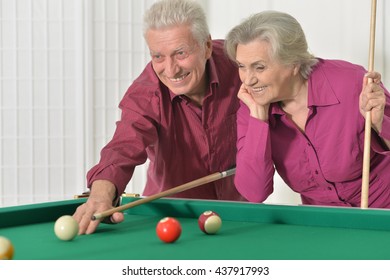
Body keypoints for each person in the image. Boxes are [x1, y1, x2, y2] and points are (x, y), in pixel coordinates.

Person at [73, 0, 245, 235]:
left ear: (205, 46)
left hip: (245, 212)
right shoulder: (146, 94)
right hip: (175, 218)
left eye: (181, 53)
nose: (171, 69)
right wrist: (102, 193)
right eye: (158, 56)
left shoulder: (240, 64)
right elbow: (122, 147)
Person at [224, 11, 390, 208]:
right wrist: (259, 118)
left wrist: (380, 123)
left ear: (293, 64)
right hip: (322, 223)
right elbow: (255, 193)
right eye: (242, 66)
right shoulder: (251, 105)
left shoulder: (352, 83)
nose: (248, 80)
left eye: (259, 67)